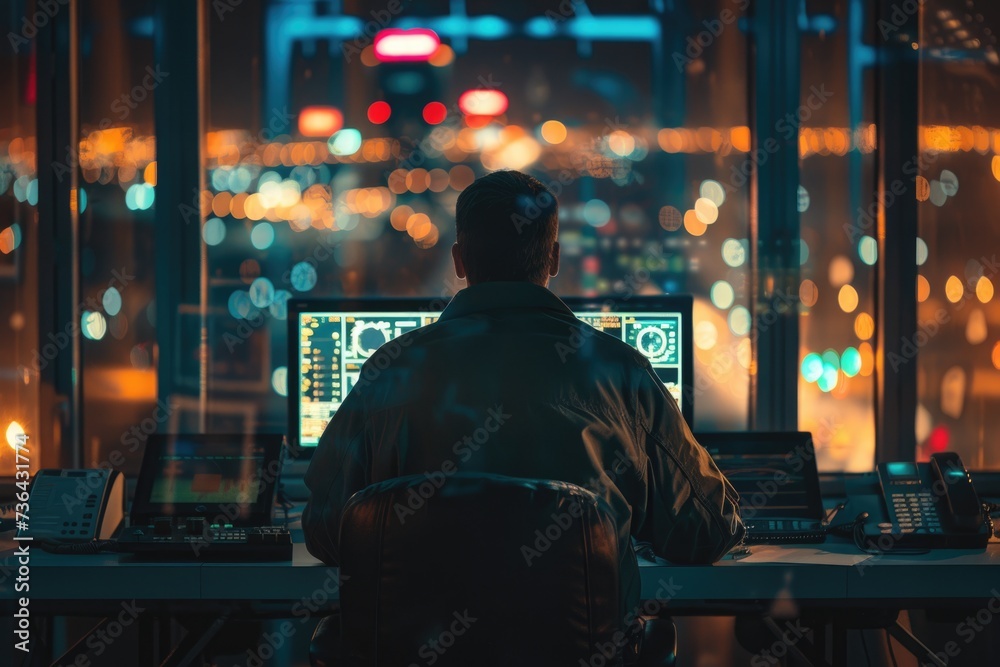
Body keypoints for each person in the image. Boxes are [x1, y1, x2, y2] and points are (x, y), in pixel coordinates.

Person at [303, 169, 744, 656]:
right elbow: (707, 531)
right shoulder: (622, 374)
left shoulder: (390, 372)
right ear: (553, 258)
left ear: (459, 260)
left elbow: (327, 530)